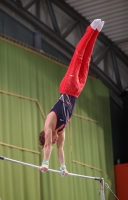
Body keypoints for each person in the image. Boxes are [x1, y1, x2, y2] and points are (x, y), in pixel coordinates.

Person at [39, 19, 104, 176]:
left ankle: (91, 28)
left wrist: (45, 163)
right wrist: (63, 168)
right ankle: (97, 33)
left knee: (79, 56)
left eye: (51, 140)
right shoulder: (60, 131)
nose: (54, 142)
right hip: (77, 91)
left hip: (67, 87)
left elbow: (48, 145)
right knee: (87, 60)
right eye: (54, 140)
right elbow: (60, 149)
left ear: (46, 135)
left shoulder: (49, 124)